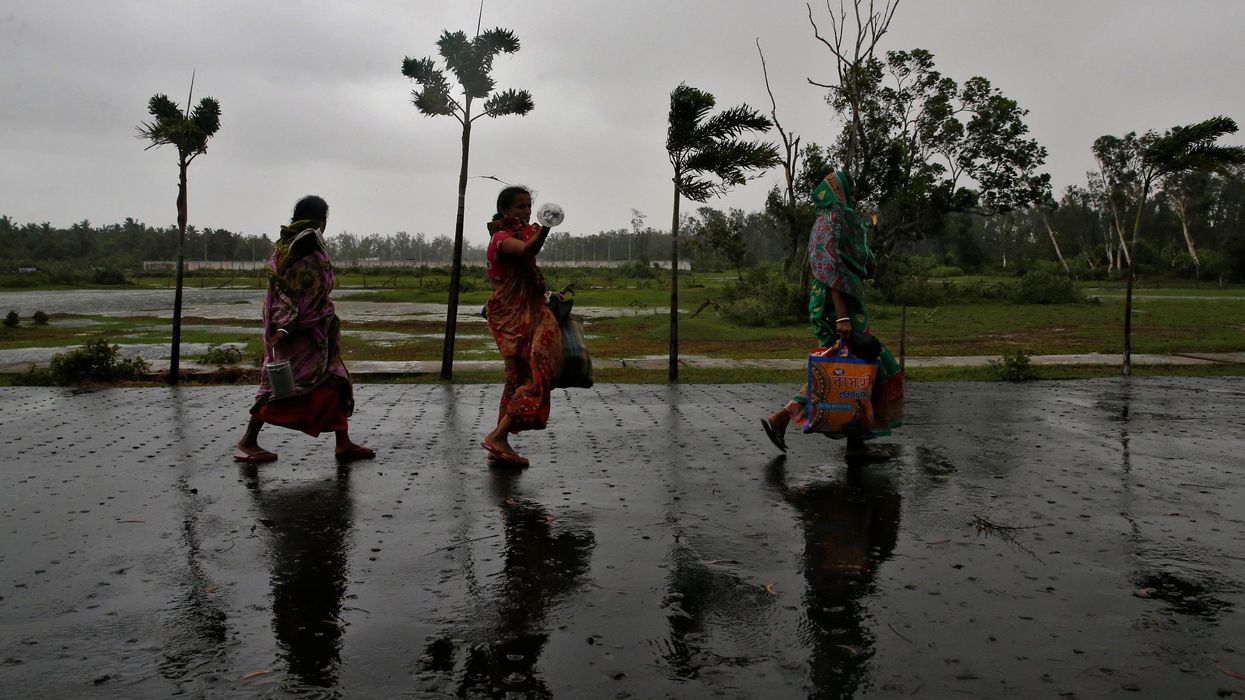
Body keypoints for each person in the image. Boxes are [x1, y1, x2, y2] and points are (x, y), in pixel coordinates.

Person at [761, 171, 903, 457]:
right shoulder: (840, 219)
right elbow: (831, 269)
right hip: (839, 309)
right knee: (869, 365)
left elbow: (852, 263)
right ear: (844, 193)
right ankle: (787, 418)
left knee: (848, 368)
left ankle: (852, 442)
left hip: (826, 306)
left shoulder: (822, 222)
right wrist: (842, 316)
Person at [235, 195, 375, 464]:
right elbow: (290, 291)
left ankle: (343, 443)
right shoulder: (303, 249)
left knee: (335, 381)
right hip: (300, 333)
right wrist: (286, 326)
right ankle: (247, 441)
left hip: (316, 335)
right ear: (321, 219)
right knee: (281, 388)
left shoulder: (287, 246)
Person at [480, 186, 562, 467]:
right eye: (520, 207)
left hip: (526, 313)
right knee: (535, 376)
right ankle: (498, 435)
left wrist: (548, 296)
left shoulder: (515, 235)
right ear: (505, 211)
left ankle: (499, 444)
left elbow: (524, 274)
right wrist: (548, 226)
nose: (527, 212)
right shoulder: (502, 239)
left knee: (519, 379)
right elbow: (528, 249)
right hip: (515, 320)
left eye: (529, 206)